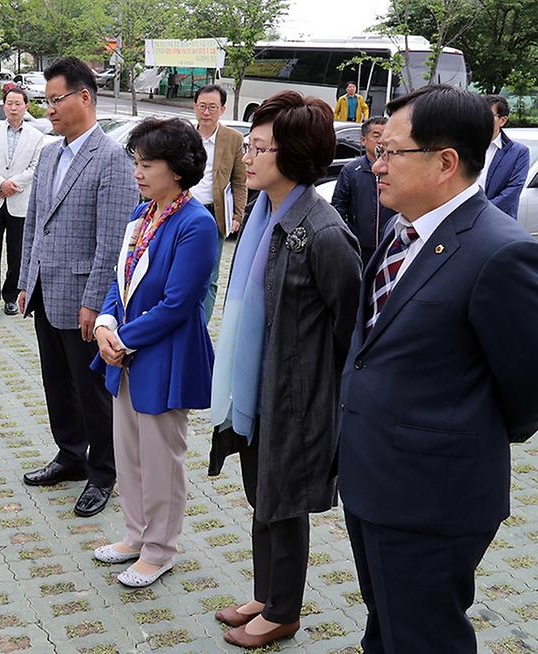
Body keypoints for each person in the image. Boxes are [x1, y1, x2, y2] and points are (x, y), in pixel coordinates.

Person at [337, 85, 538, 654]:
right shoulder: (404, 229)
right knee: (387, 625)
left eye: (391, 152)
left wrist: (450, 430)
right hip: (374, 478)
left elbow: (527, 390)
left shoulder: (499, 251)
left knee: (426, 637)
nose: (375, 163)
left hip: (432, 496)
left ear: (445, 162)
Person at [208, 91, 362, 649]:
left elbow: (351, 325)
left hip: (297, 395)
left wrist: (328, 394)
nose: (248, 157)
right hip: (258, 385)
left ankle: (284, 609)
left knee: (284, 499)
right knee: (260, 491)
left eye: (260, 148)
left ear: (293, 155)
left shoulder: (320, 231)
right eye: (249, 145)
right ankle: (264, 591)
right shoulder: (267, 215)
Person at [90, 117, 216, 588]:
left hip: (164, 355)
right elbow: (119, 282)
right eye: (136, 163)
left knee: (162, 457)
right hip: (126, 352)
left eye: (148, 165)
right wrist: (106, 323)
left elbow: (179, 303)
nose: (138, 173)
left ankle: (161, 549)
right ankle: (135, 535)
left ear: (178, 170)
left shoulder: (195, 223)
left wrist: (123, 338)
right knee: (130, 451)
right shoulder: (141, 216)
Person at [17, 56, 139, 518]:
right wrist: (27, 280)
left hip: (82, 296)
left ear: (84, 97)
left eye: (55, 99)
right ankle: (70, 454)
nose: (47, 109)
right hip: (46, 289)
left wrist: (94, 302)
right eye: (44, 101)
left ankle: (103, 472)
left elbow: (112, 241)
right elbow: (35, 225)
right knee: (57, 382)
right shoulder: (49, 153)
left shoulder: (112, 159)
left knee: (91, 388)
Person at [0, 85, 44, 320]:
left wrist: (11, 184)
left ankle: (11, 297)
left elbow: (35, 167)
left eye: (18, 104)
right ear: (3, 105)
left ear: (26, 106)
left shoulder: (36, 136)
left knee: (17, 254)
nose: (13, 108)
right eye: (9, 103)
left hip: (19, 201)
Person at [188, 84, 248, 323]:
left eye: (212, 107)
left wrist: (237, 216)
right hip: (184, 209)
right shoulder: (185, 135)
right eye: (202, 106)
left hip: (215, 213)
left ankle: (201, 324)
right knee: (181, 270)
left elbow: (240, 182)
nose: (206, 112)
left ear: (222, 109)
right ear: (194, 107)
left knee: (210, 275)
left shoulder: (232, 139)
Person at [332, 117, 394, 266]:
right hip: (360, 248)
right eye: (376, 135)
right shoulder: (351, 170)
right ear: (363, 140)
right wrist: (347, 237)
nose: (380, 141)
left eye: (385, 136)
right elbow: (338, 207)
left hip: (390, 245)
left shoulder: (397, 169)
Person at [479, 94, 530, 219]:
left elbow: (512, 192)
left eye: (487, 116)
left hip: (498, 222)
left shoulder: (518, 152)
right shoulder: (464, 147)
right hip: (463, 222)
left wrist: (478, 213)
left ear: (502, 120)